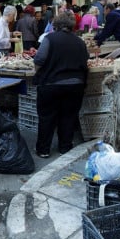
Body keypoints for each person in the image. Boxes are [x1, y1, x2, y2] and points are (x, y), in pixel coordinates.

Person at [32, 12, 89, 158]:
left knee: (47, 117)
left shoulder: (50, 39)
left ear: (55, 25)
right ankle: (65, 147)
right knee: (68, 116)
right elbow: (85, 62)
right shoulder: (80, 42)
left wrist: (39, 73)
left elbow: (39, 60)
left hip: (51, 84)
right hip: (76, 85)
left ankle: (43, 150)